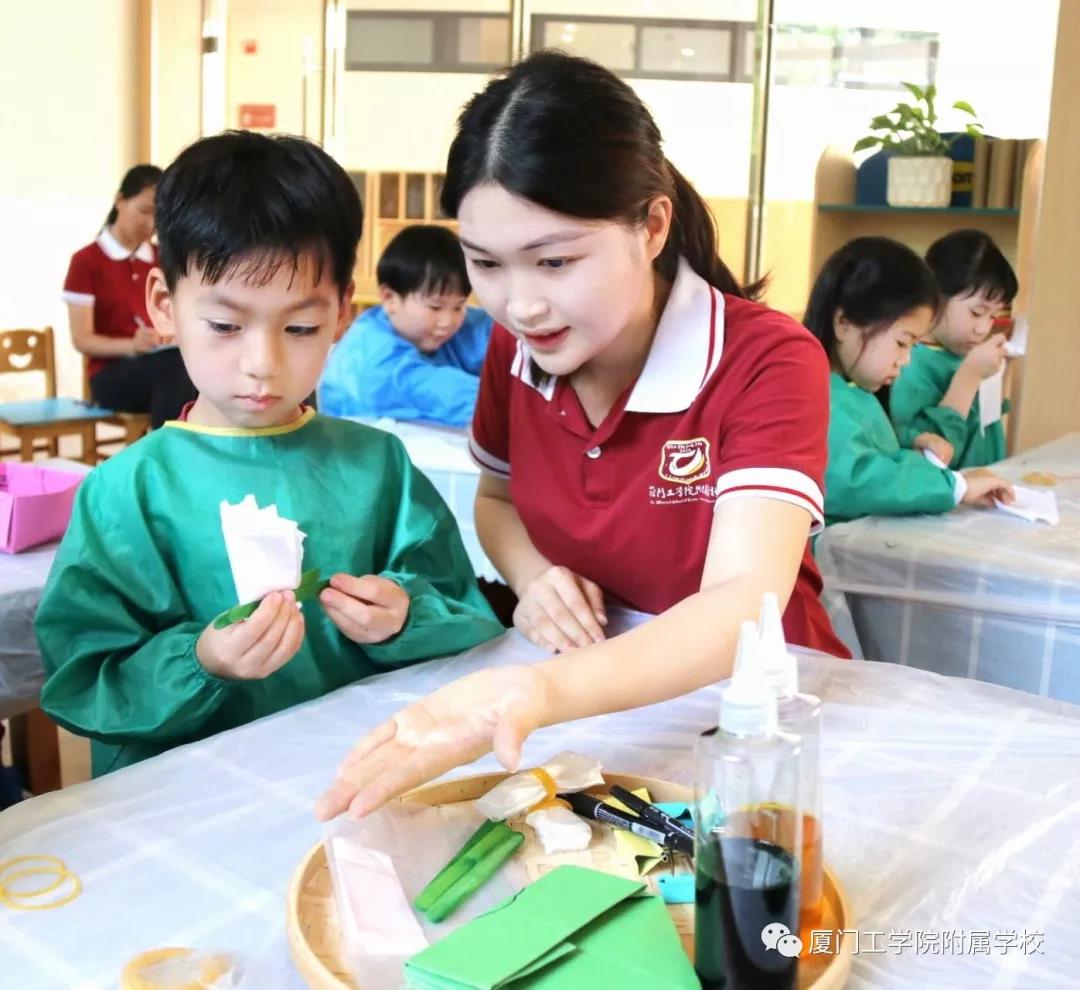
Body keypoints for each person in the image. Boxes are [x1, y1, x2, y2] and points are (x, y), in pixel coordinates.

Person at [316, 51, 849, 823]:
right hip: (591, 698)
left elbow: (744, 599)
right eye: (485, 265)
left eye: (556, 261)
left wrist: (534, 690)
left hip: (760, 714)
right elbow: (497, 498)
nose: (520, 305)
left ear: (652, 225)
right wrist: (534, 578)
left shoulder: (764, 358)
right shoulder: (515, 349)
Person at [36, 132, 504, 777]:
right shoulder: (126, 493)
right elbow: (85, 677)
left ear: (343, 315)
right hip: (192, 795)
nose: (263, 363)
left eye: (301, 328)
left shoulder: (377, 467)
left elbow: (465, 616)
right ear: (164, 309)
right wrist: (201, 662)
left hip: (352, 779)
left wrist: (404, 616)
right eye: (226, 325)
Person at [801, 236, 1014, 525]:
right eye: (902, 343)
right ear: (845, 323)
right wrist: (955, 486)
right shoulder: (814, 394)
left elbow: (861, 443)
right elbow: (856, 475)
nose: (907, 360)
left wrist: (908, 441)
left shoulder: (849, 390)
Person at [62, 164, 197, 428]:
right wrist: (132, 346)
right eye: (144, 210)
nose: (150, 224)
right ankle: (166, 455)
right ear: (120, 201)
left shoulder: (162, 258)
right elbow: (82, 340)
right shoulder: (87, 261)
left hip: (165, 366)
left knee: (199, 367)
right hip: (112, 376)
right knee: (175, 368)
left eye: (158, 216)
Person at [319, 225, 492, 426]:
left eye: (459, 306)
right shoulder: (373, 359)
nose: (449, 321)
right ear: (390, 298)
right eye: (435, 307)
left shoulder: (443, 327)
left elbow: (500, 336)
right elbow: (446, 393)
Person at [889, 230, 1018, 468]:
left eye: (993, 316)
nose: (983, 328)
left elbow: (985, 427)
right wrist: (969, 377)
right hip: (949, 500)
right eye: (977, 313)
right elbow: (929, 457)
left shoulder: (966, 354)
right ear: (936, 295)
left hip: (984, 493)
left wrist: (1000, 373)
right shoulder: (908, 364)